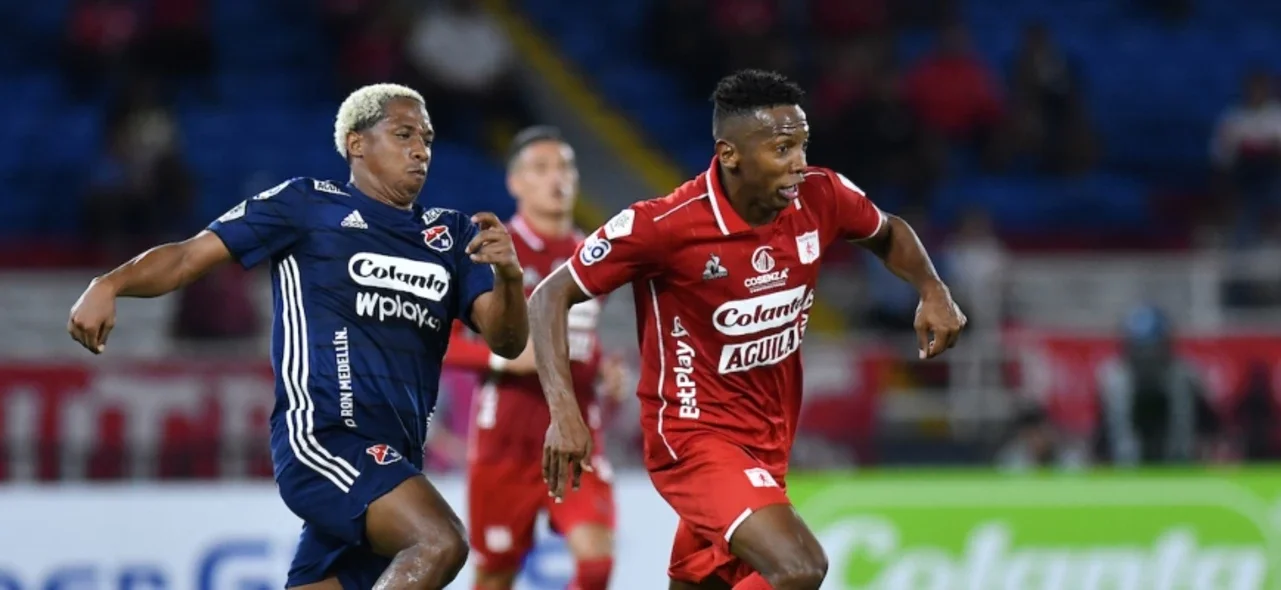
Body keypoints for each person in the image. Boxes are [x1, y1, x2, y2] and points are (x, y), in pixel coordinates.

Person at [67, 83, 529, 590]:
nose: (420, 149)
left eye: (427, 138)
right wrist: (108, 284)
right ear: (356, 143)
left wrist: (509, 277)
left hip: (395, 463)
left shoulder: (453, 235)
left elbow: (505, 341)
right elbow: (185, 257)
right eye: (403, 134)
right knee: (440, 541)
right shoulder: (304, 206)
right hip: (324, 438)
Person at [529, 69, 968, 590]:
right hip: (692, 438)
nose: (799, 163)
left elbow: (887, 230)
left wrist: (932, 288)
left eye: (803, 145)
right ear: (730, 154)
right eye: (782, 149)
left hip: (766, 443)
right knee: (799, 566)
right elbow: (549, 295)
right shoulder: (664, 226)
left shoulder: (821, 196)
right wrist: (563, 413)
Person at [442, 126, 625, 589]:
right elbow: (442, 342)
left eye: (564, 166)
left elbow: (580, 339)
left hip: (576, 437)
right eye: (541, 168)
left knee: (596, 564)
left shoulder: (593, 255)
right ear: (515, 183)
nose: (556, 178)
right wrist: (505, 360)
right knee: (495, 573)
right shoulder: (493, 252)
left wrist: (602, 371)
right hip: (505, 444)